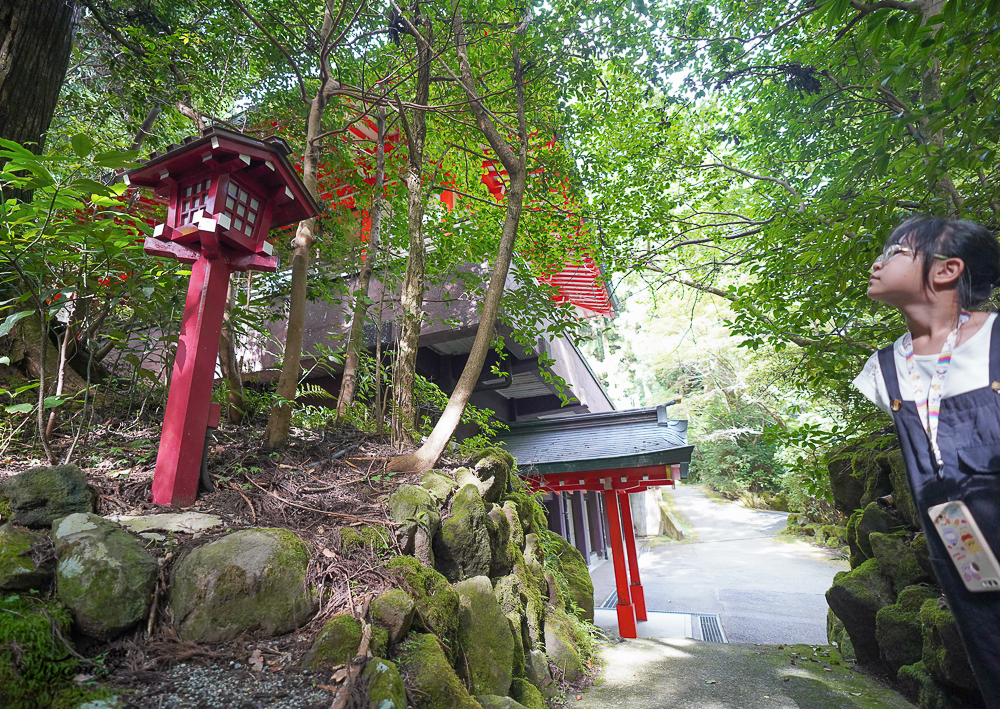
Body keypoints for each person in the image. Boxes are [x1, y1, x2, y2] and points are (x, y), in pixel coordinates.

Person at [853, 216, 1000, 706]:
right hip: (960, 546)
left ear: (946, 270)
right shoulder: (884, 369)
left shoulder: (995, 342)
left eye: (895, 252)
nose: (877, 262)